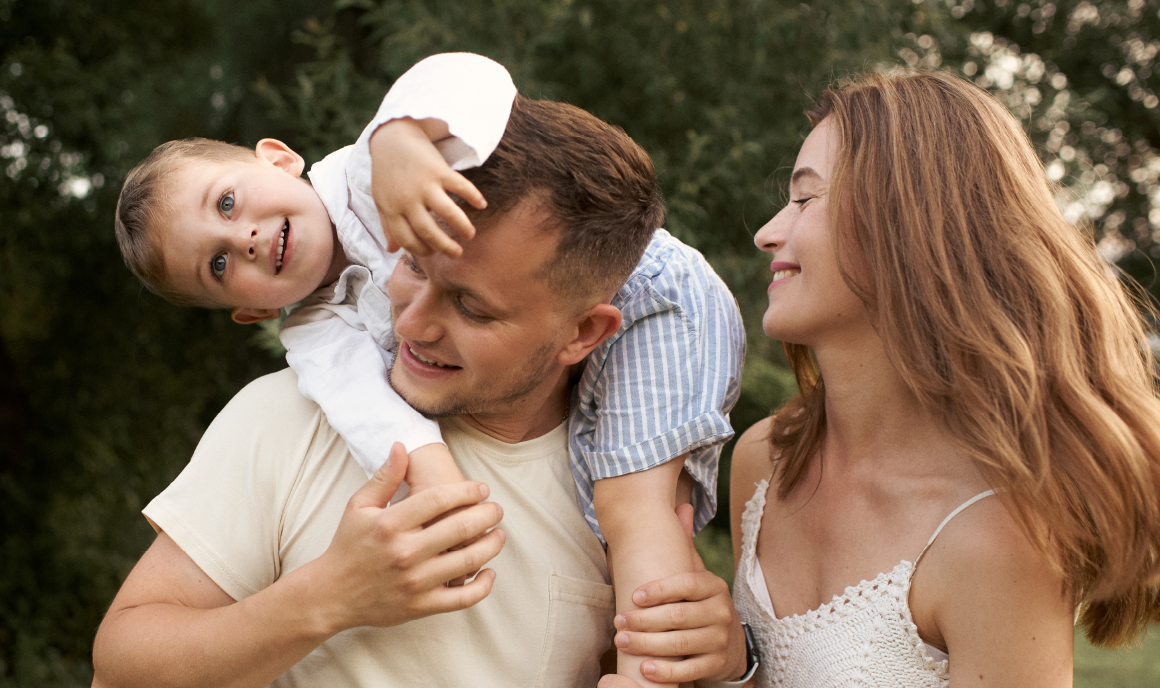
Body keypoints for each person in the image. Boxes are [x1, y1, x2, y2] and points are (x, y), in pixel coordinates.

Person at [113, 53, 745, 686]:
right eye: (411, 264)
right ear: (250, 311)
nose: (243, 239)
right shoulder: (290, 407)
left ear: (279, 159)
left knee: (638, 512)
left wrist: (399, 135)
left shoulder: (374, 170)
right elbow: (118, 671)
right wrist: (328, 595)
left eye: (471, 305)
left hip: (666, 294)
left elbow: (468, 80)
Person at [724, 70, 1160, 687]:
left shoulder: (994, 541)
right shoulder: (763, 463)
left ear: (908, 222)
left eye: (804, 198)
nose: (767, 232)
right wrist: (730, 670)